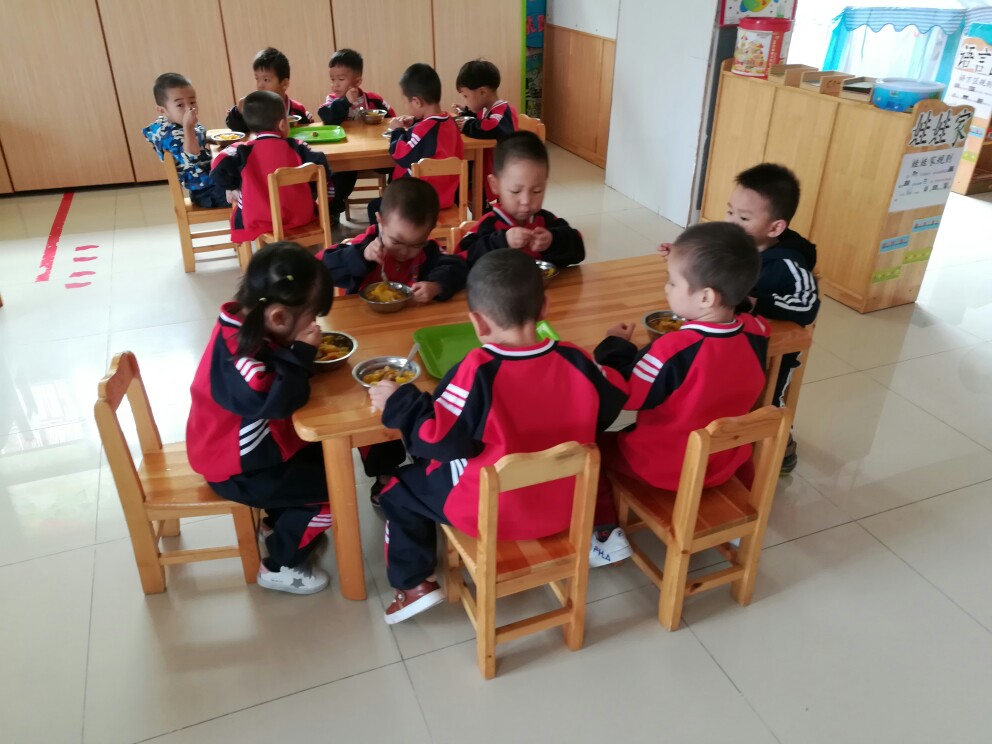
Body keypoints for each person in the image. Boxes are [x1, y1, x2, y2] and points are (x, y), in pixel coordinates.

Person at [369, 250, 628, 624]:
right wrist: (615, 348)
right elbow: (613, 398)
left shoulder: (477, 370)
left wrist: (401, 402)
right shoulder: (576, 359)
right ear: (544, 307)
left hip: (489, 515)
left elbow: (439, 440)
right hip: (568, 507)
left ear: (476, 321)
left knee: (397, 489)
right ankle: (601, 533)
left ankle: (413, 586)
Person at [591, 222, 769, 567]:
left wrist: (613, 347)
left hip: (667, 468)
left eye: (673, 282)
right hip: (724, 461)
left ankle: (604, 534)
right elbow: (748, 318)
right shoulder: (757, 333)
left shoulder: (672, 349)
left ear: (706, 297)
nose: (666, 287)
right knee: (743, 434)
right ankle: (739, 515)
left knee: (593, 441)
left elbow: (626, 396)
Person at [186, 242, 335, 594]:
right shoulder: (243, 363)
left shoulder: (248, 321)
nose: (315, 325)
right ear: (279, 317)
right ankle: (280, 566)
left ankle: (280, 522)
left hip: (248, 449)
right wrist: (301, 355)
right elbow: (278, 403)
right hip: (234, 468)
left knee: (324, 457)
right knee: (333, 495)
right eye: (312, 317)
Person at [658, 163, 818, 473]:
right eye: (730, 212)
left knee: (769, 402)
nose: (731, 222)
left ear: (775, 228)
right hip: (729, 344)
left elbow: (807, 305)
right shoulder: (732, 246)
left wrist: (757, 302)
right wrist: (683, 257)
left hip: (770, 354)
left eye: (743, 218)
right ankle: (719, 440)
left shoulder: (788, 263)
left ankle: (782, 446)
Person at [318, 177, 469, 505]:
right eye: (397, 241)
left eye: (416, 244)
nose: (406, 252)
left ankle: (423, 448)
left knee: (434, 397)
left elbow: (457, 266)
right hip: (367, 348)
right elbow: (322, 267)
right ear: (380, 221)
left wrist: (436, 285)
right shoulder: (362, 246)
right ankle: (383, 470)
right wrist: (361, 257)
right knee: (373, 411)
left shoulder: (427, 252)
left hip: (414, 346)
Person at [211, 90, 333, 244]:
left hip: (260, 221)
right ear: (282, 124)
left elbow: (217, 168)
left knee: (241, 201)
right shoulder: (298, 146)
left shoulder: (241, 150)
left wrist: (233, 186)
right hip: (302, 217)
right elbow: (322, 167)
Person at [458, 131, 584, 268]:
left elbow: (579, 250)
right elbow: (458, 261)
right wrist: (502, 242)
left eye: (537, 191)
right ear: (495, 185)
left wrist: (552, 242)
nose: (526, 201)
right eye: (516, 191)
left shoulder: (547, 221)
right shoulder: (487, 225)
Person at [368, 63, 464, 223]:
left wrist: (397, 131)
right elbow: (429, 142)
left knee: (374, 208)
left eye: (406, 102)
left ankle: (389, 238)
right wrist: (415, 123)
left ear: (417, 102)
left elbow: (401, 155)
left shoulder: (424, 129)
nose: (406, 106)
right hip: (446, 198)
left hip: (419, 203)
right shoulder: (450, 123)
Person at [316, 48, 396, 220]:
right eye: (332, 79)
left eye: (341, 79)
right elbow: (327, 118)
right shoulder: (333, 101)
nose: (335, 85)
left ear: (357, 81)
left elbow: (391, 119)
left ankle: (393, 202)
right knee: (339, 180)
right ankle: (332, 210)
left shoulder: (374, 100)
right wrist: (345, 102)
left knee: (395, 162)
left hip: (373, 154)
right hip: (348, 158)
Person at [142, 73, 230, 208]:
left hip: (212, 180)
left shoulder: (180, 123)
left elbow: (200, 138)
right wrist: (188, 126)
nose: (189, 108)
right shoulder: (169, 135)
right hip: (206, 191)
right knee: (248, 192)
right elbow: (192, 155)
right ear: (162, 110)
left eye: (192, 102)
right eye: (180, 105)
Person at [451, 59, 518, 204]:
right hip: (486, 167)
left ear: (482, 92)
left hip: (500, 172)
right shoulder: (487, 109)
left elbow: (490, 127)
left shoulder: (503, 111)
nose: (465, 100)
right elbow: (479, 120)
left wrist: (467, 124)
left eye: (466, 96)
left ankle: (481, 212)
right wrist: (466, 112)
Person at [226, 47, 314, 134]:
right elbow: (236, 128)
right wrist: (238, 112)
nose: (260, 85)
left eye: (266, 80)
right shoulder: (254, 109)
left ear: (284, 84)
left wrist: (309, 122)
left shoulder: (297, 109)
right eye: (257, 79)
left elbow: (307, 132)